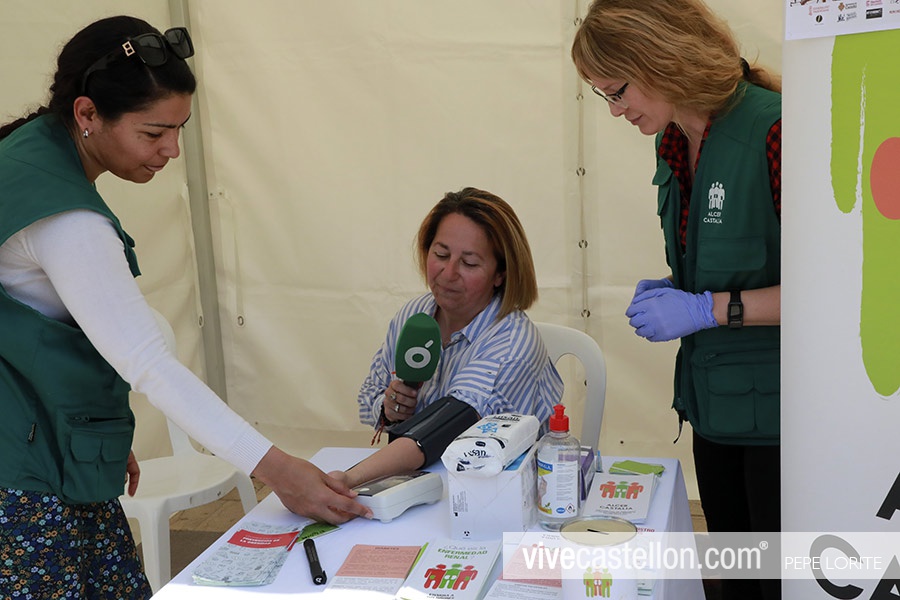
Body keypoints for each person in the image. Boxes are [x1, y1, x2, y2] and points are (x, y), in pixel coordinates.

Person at [0, 16, 370, 598]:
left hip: (38, 449)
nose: (172, 150)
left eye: (180, 129)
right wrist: (277, 468)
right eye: (154, 132)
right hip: (23, 485)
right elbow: (148, 362)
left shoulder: (23, 157)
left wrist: (82, 424)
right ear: (87, 113)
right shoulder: (67, 218)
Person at [572, 2, 781, 599]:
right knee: (736, 580)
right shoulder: (673, 141)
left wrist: (705, 309)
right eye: (602, 96)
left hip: (783, 421)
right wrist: (682, 289)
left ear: (660, 60)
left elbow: (836, 291)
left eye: (617, 91)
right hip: (713, 406)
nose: (614, 110)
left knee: (778, 582)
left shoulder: (775, 131)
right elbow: (730, 259)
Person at [343, 188, 564, 487]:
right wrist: (390, 406)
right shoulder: (414, 315)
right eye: (441, 255)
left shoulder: (512, 343)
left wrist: (346, 479)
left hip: (498, 493)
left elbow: (442, 432)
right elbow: (370, 393)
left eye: (469, 263)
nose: (448, 273)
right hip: (425, 483)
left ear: (500, 274)